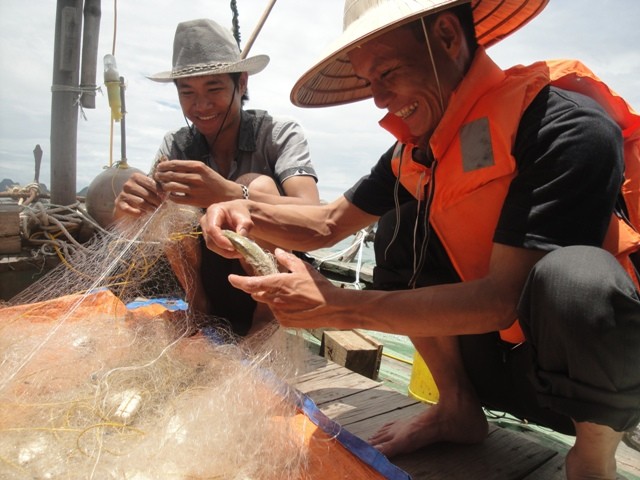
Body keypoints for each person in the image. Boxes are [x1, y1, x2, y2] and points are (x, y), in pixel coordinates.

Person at [200, 0, 640, 478]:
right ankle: (456, 408)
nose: (380, 99)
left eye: (389, 72)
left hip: (588, 383)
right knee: (397, 227)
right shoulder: (414, 150)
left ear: (448, 38)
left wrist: (337, 304)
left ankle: (594, 458)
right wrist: (243, 210)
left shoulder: (566, 126)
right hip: (489, 363)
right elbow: (327, 224)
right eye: (370, 82)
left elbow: (504, 300)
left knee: (577, 279)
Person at [113, 18, 320, 337]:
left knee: (258, 184)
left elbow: (315, 214)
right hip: (209, 280)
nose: (202, 105)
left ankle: (266, 319)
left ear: (241, 84)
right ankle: (198, 307)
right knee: (173, 207)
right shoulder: (175, 145)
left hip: (276, 280)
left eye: (214, 88)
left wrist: (227, 192)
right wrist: (131, 204)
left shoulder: (278, 134)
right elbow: (130, 226)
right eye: (188, 93)